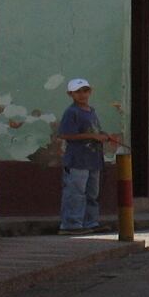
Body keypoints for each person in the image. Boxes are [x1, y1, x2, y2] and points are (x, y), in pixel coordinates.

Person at [55, 77, 120, 233]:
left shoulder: (91, 112)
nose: (82, 94)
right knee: (75, 193)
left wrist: (102, 135)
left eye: (85, 91)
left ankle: (90, 223)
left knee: (92, 194)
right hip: (77, 160)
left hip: (93, 160)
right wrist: (92, 137)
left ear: (90, 92)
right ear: (70, 94)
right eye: (78, 92)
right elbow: (65, 135)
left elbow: (93, 131)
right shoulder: (72, 112)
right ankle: (71, 225)